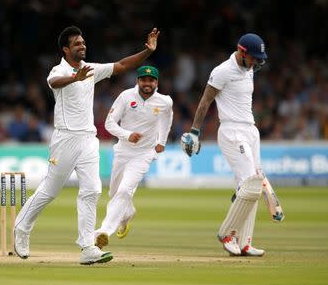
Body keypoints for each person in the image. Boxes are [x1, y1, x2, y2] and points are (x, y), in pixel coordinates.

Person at [14, 25, 160, 265]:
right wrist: (74, 77)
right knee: (50, 190)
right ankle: (21, 228)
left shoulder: (90, 69)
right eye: (77, 44)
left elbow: (122, 65)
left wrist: (147, 51)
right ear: (66, 49)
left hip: (88, 140)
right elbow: (55, 83)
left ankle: (87, 247)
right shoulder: (58, 70)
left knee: (92, 190)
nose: (83, 46)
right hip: (65, 139)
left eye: (83, 42)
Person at [181, 33, 272, 256]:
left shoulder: (250, 69)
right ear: (241, 52)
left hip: (250, 131)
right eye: (253, 57)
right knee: (250, 184)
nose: (256, 62)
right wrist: (194, 131)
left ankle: (245, 242)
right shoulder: (222, 71)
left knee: (251, 186)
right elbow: (205, 101)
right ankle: (227, 233)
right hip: (232, 131)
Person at [94, 66, 173, 250]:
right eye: (143, 80)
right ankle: (128, 213)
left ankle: (104, 231)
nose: (147, 83)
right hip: (123, 150)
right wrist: (127, 134)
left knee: (124, 191)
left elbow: (167, 118)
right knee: (114, 193)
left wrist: (162, 140)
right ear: (137, 81)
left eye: (151, 80)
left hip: (144, 154)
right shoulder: (126, 97)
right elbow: (109, 123)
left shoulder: (165, 102)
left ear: (156, 82)